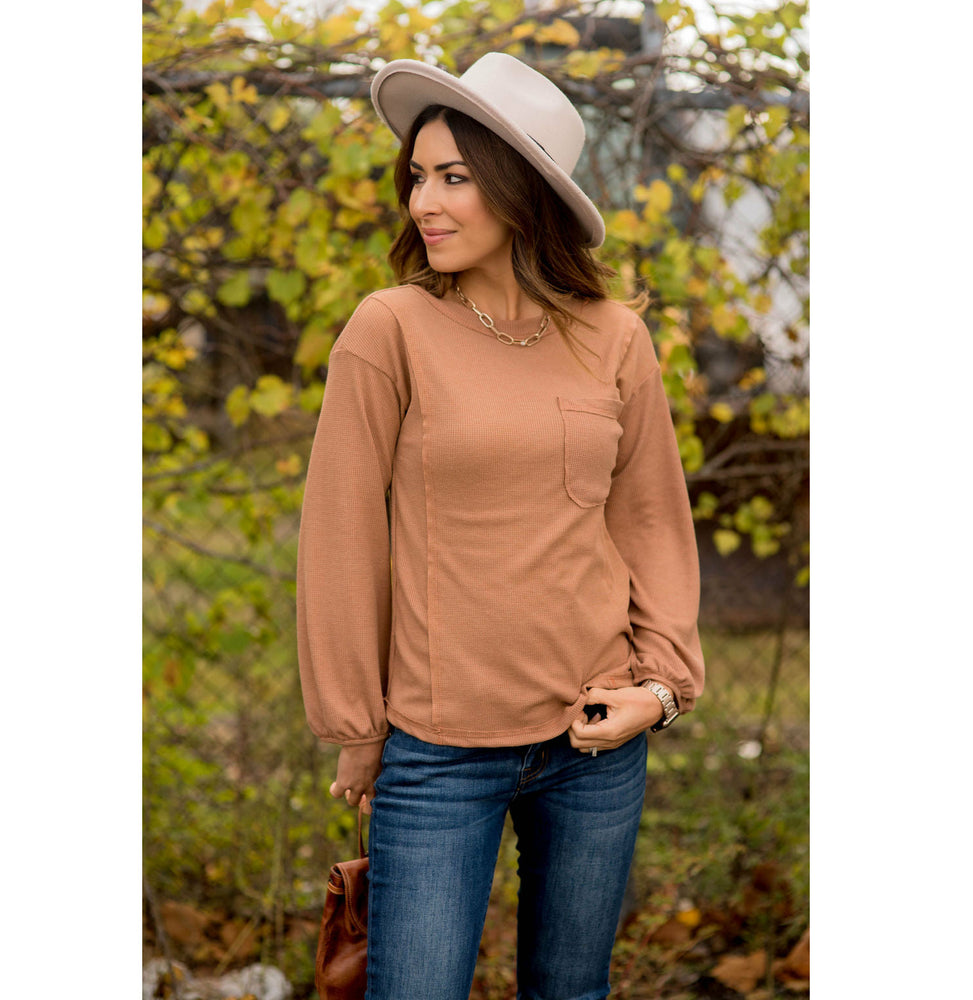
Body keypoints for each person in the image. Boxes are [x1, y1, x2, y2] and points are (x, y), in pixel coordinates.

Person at [297, 52, 704, 1000]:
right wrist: (358, 723)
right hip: (437, 751)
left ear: (522, 190)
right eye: (416, 177)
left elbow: (650, 519)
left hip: (594, 742)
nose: (423, 204)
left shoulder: (614, 336)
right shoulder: (389, 328)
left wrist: (660, 688)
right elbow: (341, 535)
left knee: (572, 991)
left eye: (454, 178)